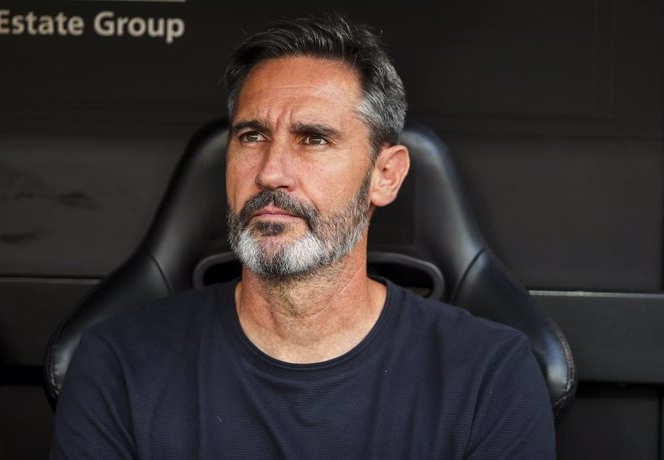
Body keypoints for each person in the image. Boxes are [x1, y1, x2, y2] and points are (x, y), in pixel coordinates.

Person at [50, 14, 555, 459]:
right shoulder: (119, 365)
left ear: (386, 175)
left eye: (314, 139)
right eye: (251, 136)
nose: (271, 172)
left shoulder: (488, 376)